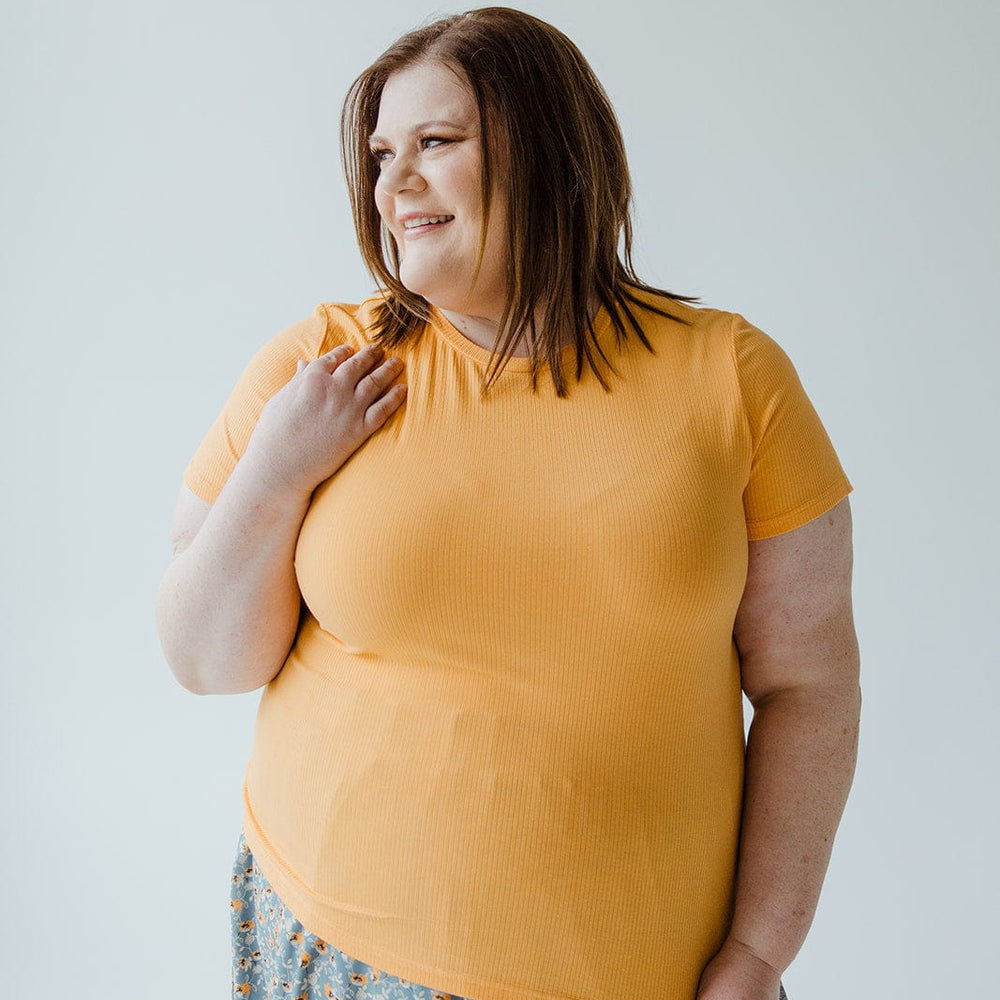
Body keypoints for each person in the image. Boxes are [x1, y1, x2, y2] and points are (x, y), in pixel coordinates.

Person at [155, 7, 860, 1000]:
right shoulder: (320, 368)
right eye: (382, 153)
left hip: (635, 976)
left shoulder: (732, 379)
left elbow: (808, 687)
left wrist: (758, 954)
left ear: (551, 150)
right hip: (333, 953)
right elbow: (204, 660)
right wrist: (275, 468)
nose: (393, 184)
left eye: (436, 143)